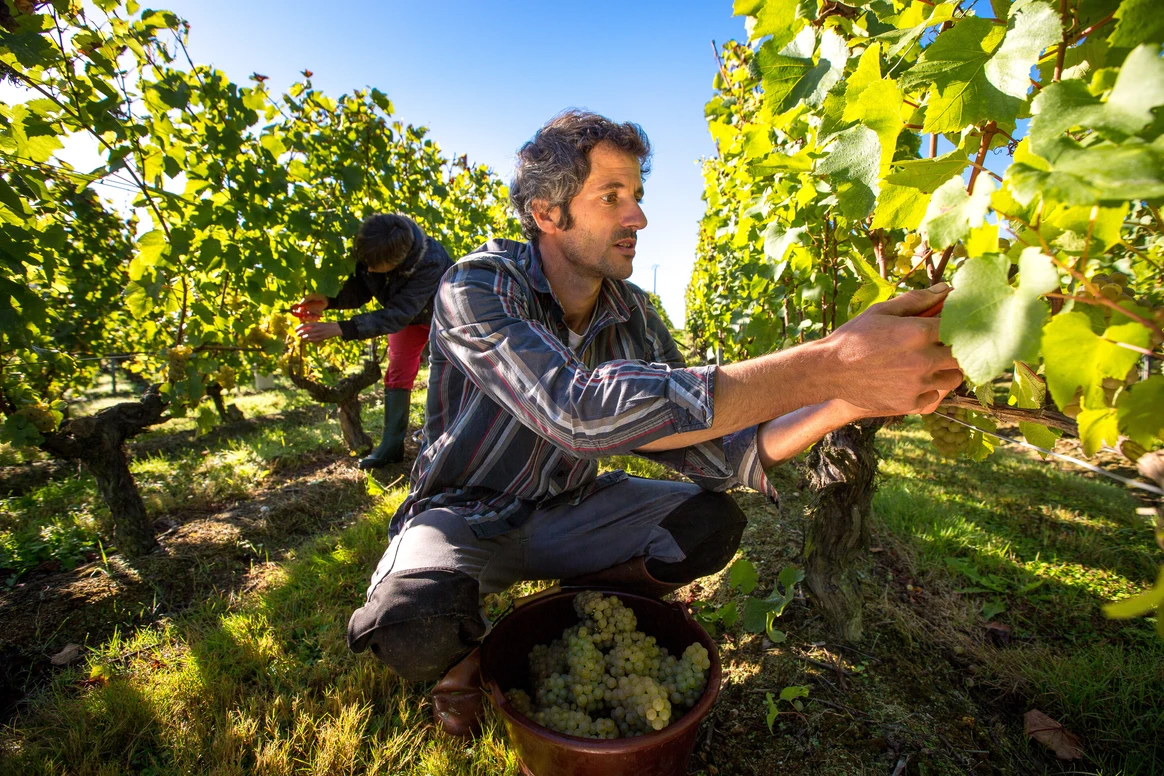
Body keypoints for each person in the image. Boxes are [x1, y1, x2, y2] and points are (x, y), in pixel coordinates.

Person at [345, 111, 961, 733]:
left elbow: (713, 452)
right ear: (546, 212)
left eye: (636, 196)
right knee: (414, 624)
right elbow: (575, 410)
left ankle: (568, 611)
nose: (637, 217)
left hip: (570, 506)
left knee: (707, 523)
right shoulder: (477, 283)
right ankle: (466, 657)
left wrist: (851, 398)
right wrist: (827, 364)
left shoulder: (634, 316)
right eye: (611, 197)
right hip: (462, 514)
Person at [294, 213, 453, 469]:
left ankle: (440, 445)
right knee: (398, 373)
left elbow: (397, 314)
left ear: (398, 262)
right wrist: (330, 301)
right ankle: (390, 447)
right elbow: (362, 289)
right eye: (365, 263)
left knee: (443, 375)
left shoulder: (430, 261)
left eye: (374, 267)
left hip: (442, 314)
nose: (367, 269)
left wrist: (340, 328)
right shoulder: (374, 248)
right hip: (407, 319)